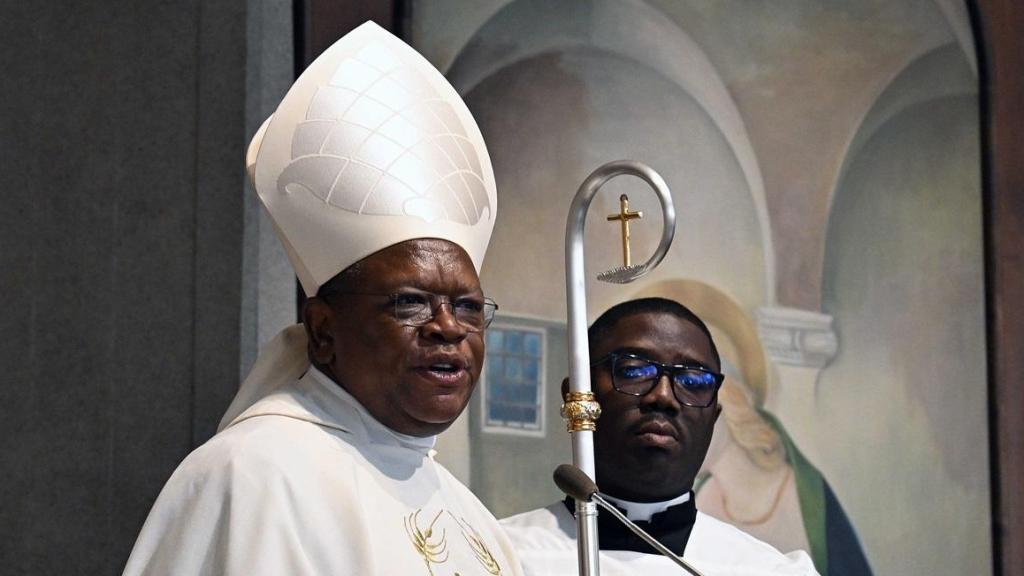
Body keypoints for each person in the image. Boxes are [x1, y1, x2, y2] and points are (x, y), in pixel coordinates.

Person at [124, 21, 523, 576]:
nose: (448, 328)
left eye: (469, 308)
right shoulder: (255, 477)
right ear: (323, 330)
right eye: (410, 302)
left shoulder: (471, 517)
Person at [501, 297, 819, 575]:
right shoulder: (502, 555)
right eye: (634, 370)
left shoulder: (768, 571)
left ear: (714, 417)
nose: (664, 396)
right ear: (577, 398)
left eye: (693, 380)